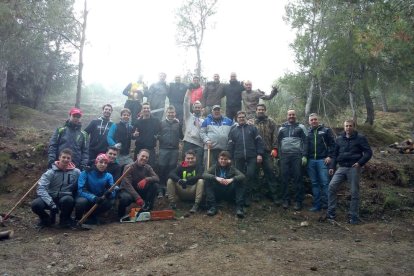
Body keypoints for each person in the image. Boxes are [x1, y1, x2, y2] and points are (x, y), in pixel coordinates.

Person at [327, 119, 372, 224]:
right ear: (344, 127)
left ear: (354, 126)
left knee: (354, 192)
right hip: (341, 167)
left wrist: (360, 163)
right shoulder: (339, 139)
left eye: (350, 126)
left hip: (354, 168)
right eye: (346, 126)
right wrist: (332, 167)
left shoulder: (360, 138)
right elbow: (334, 154)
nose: (348, 128)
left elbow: (368, 152)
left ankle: (353, 217)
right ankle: (331, 213)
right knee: (331, 187)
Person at [31, 148, 80, 228]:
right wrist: (51, 203)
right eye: (64, 157)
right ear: (59, 157)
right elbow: (41, 189)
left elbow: (82, 183)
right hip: (50, 197)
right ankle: (46, 219)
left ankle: (64, 220)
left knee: (68, 200)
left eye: (68, 158)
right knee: (35, 204)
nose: (66, 159)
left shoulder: (76, 172)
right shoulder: (50, 172)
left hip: (65, 198)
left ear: (71, 159)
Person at [228, 111, 264, 206]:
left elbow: (259, 141)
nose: (241, 118)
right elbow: (230, 145)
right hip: (238, 156)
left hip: (251, 156)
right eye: (239, 117)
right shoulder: (233, 130)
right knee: (240, 177)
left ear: (246, 118)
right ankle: (240, 197)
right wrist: (230, 157)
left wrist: (259, 154)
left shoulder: (252, 128)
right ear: (237, 119)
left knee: (250, 175)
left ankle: (248, 196)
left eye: (243, 117)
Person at [277, 109, 308, 210]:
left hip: (297, 156)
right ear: (287, 116)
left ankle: (298, 201)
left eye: (293, 115)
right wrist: (278, 155)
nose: (291, 116)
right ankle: (286, 200)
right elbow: (278, 142)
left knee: (298, 178)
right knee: (284, 178)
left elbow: (306, 142)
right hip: (284, 156)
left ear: (296, 115)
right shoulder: (282, 128)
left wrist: (304, 155)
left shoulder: (301, 127)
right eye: (290, 115)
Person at [75, 154, 118, 225]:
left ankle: (93, 216)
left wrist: (109, 194)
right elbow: (81, 190)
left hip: (99, 200)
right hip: (87, 198)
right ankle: (78, 219)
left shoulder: (108, 176)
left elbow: (113, 189)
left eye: (105, 163)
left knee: (110, 201)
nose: (103, 164)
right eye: (101, 162)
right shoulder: (85, 173)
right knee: (81, 202)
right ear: (96, 162)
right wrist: (93, 198)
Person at [250, 104, 280, 204]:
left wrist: (275, 148)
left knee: (270, 173)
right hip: (254, 152)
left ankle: (274, 195)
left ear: (265, 110)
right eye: (259, 109)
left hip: (268, 152)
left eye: (262, 109)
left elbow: (275, 136)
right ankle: (256, 195)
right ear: (256, 110)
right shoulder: (251, 122)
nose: (260, 111)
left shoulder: (271, 121)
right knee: (255, 173)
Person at [203, 151, 246, 218]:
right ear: (218, 159)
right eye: (221, 159)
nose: (223, 161)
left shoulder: (232, 168)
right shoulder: (214, 167)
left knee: (240, 181)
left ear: (228, 160)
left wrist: (232, 179)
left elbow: (242, 176)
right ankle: (213, 207)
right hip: (218, 191)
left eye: (225, 159)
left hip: (228, 191)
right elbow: (204, 174)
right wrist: (216, 178)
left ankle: (239, 208)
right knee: (208, 181)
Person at [306, 113, 336, 212]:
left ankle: (328, 205)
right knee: (314, 183)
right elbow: (305, 146)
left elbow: (332, 144)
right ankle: (317, 205)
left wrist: (329, 156)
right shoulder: (308, 132)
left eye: (315, 119)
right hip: (310, 161)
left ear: (318, 120)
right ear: (309, 121)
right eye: (311, 120)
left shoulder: (326, 131)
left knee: (325, 183)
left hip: (322, 160)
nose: (313, 121)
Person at [118, 149, 159, 218]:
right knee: (124, 198)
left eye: (146, 157)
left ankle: (147, 208)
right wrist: (138, 198)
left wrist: (146, 179)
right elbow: (127, 185)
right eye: (143, 156)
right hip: (128, 192)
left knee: (155, 185)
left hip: (139, 190)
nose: (144, 158)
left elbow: (157, 178)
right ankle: (120, 215)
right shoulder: (128, 167)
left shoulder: (147, 167)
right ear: (137, 156)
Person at [158, 105, 183, 197]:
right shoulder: (161, 123)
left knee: (172, 169)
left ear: (175, 113)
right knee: (162, 168)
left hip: (174, 150)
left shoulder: (178, 124)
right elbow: (157, 134)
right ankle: (160, 189)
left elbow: (181, 135)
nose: (171, 114)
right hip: (163, 149)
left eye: (172, 112)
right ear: (166, 113)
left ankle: (169, 189)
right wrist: (161, 138)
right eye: (169, 112)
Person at [200, 105, 233, 170]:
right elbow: (202, 132)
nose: (217, 111)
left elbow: (236, 127)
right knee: (209, 168)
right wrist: (207, 141)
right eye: (215, 110)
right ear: (212, 111)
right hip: (210, 149)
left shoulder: (228, 121)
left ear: (221, 111)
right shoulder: (206, 120)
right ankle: (208, 180)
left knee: (222, 168)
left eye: (218, 110)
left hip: (223, 149)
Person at [182, 89, 204, 172]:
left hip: (199, 145)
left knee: (198, 164)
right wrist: (188, 92)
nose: (197, 109)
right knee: (185, 163)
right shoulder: (188, 116)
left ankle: (196, 181)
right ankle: (183, 180)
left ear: (201, 109)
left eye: (199, 107)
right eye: (196, 107)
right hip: (188, 142)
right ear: (193, 108)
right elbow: (185, 103)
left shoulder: (203, 121)